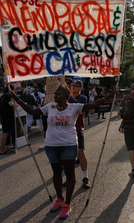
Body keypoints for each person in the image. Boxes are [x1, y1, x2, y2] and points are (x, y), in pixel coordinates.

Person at [10, 85, 118, 219]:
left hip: (69, 145)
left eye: (58, 94)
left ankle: (67, 204)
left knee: (70, 174)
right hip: (52, 145)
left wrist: (110, 96)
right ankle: (59, 199)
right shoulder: (50, 107)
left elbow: (93, 104)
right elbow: (32, 111)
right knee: (56, 173)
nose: (55, 96)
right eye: (55, 94)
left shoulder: (74, 107)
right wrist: (16, 99)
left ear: (66, 97)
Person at [68, 80, 91, 189]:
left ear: (80, 89)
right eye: (71, 86)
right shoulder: (66, 98)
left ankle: (85, 178)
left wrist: (67, 95)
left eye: (75, 86)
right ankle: (69, 178)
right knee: (68, 157)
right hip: (67, 130)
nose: (72, 87)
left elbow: (76, 105)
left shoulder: (83, 98)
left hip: (78, 129)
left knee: (81, 153)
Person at [0, 85, 15, 155]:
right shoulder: (7, 97)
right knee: (5, 134)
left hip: (3, 117)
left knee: (5, 133)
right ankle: (2, 149)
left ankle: (3, 148)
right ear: (10, 91)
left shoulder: (2, 97)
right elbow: (11, 104)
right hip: (7, 117)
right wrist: (16, 104)